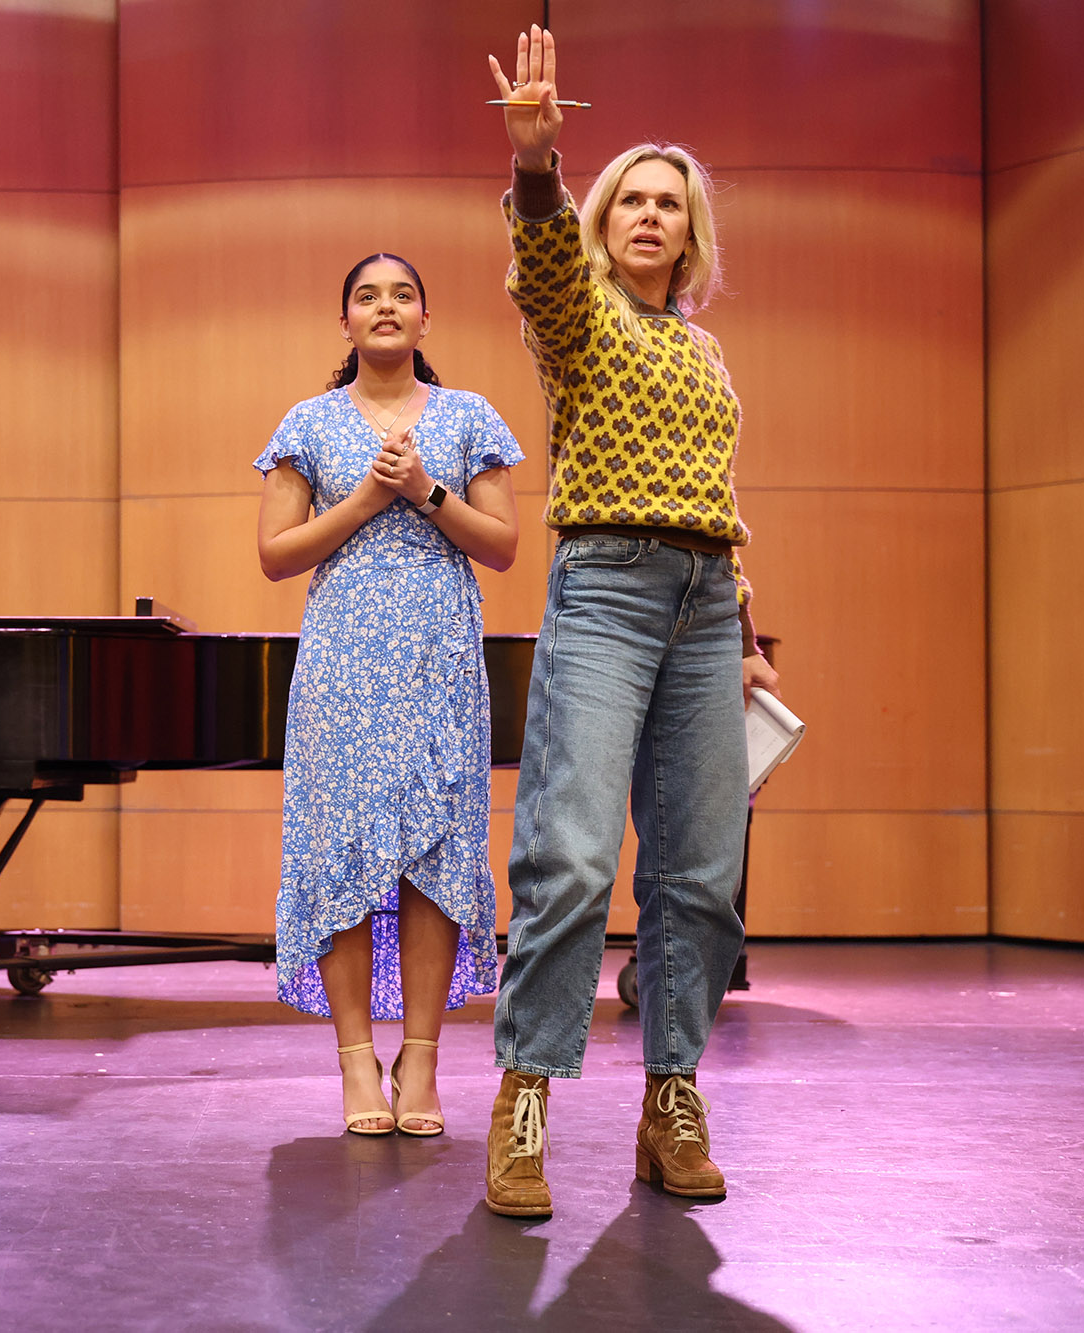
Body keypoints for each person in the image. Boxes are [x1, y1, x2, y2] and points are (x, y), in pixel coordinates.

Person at [481, 26, 782, 1216]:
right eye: (631, 200)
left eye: (668, 203)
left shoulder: (704, 353)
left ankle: (670, 1097)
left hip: (708, 602)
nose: (648, 215)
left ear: (689, 233)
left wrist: (748, 631)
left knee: (703, 874)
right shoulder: (581, 322)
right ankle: (526, 1097)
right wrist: (537, 170)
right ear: (604, 218)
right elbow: (544, 270)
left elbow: (715, 500)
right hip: (605, 588)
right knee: (570, 858)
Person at [255, 253, 525, 1136]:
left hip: (439, 663)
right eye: (365, 296)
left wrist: (425, 489)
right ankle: (355, 1064)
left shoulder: (468, 416)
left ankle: (420, 1063)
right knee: (338, 853)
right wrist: (371, 498)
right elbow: (277, 554)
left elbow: (502, 544)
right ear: (345, 323)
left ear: (424, 319)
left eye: (401, 294)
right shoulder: (308, 421)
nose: (384, 307)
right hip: (341, 666)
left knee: (434, 857)